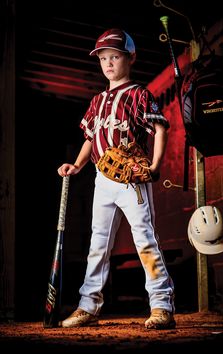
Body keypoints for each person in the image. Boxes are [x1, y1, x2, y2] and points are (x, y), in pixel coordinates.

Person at [57, 28, 176, 330]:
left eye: (115, 56)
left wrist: (155, 165)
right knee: (98, 243)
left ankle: (161, 305)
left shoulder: (139, 93)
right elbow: (89, 137)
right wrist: (78, 165)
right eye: (103, 58)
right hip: (102, 178)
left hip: (132, 179)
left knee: (145, 240)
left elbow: (160, 129)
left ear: (130, 58)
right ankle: (88, 306)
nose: (108, 63)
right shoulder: (97, 101)